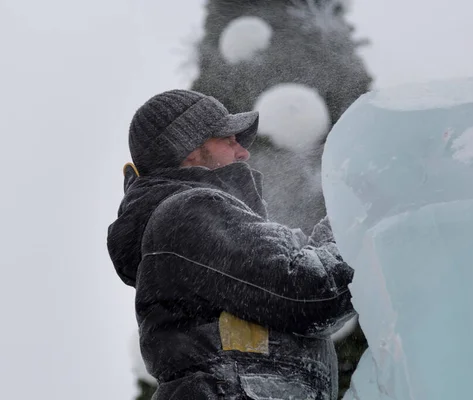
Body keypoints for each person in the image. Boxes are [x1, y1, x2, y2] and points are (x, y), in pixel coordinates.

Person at [107, 89, 355, 400]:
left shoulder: (197, 224)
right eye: (228, 139)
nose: (243, 152)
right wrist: (360, 220)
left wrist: (346, 222)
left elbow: (303, 276)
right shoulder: (190, 211)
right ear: (191, 149)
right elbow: (309, 292)